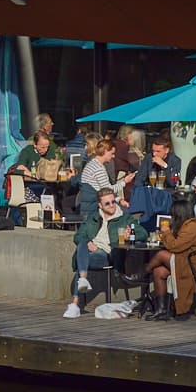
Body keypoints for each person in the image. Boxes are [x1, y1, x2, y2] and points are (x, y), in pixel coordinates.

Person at [65, 185, 128, 317]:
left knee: (83, 261)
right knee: (82, 243)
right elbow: (78, 235)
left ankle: (75, 304)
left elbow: (142, 233)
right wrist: (88, 243)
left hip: (107, 254)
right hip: (90, 252)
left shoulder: (124, 217)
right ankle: (83, 280)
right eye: (107, 203)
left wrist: (130, 234)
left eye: (113, 202)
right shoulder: (93, 218)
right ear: (100, 205)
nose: (111, 205)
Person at [148, 195, 196, 318]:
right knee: (158, 271)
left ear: (179, 215)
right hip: (187, 260)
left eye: (173, 215)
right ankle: (161, 309)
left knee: (161, 254)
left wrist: (166, 232)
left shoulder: (191, 227)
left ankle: (144, 272)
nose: (171, 218)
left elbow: (174, 247)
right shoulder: (186, 226)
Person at [78, 135, 126, 218]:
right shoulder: (98, 168)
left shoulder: (93, 163)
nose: (113, 156)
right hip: (94, 206)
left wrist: (119, 199)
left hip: (89, 203)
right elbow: (107, 191)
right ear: (105, 151)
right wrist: (124, 182)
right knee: (124, 213)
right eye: (112, 153)